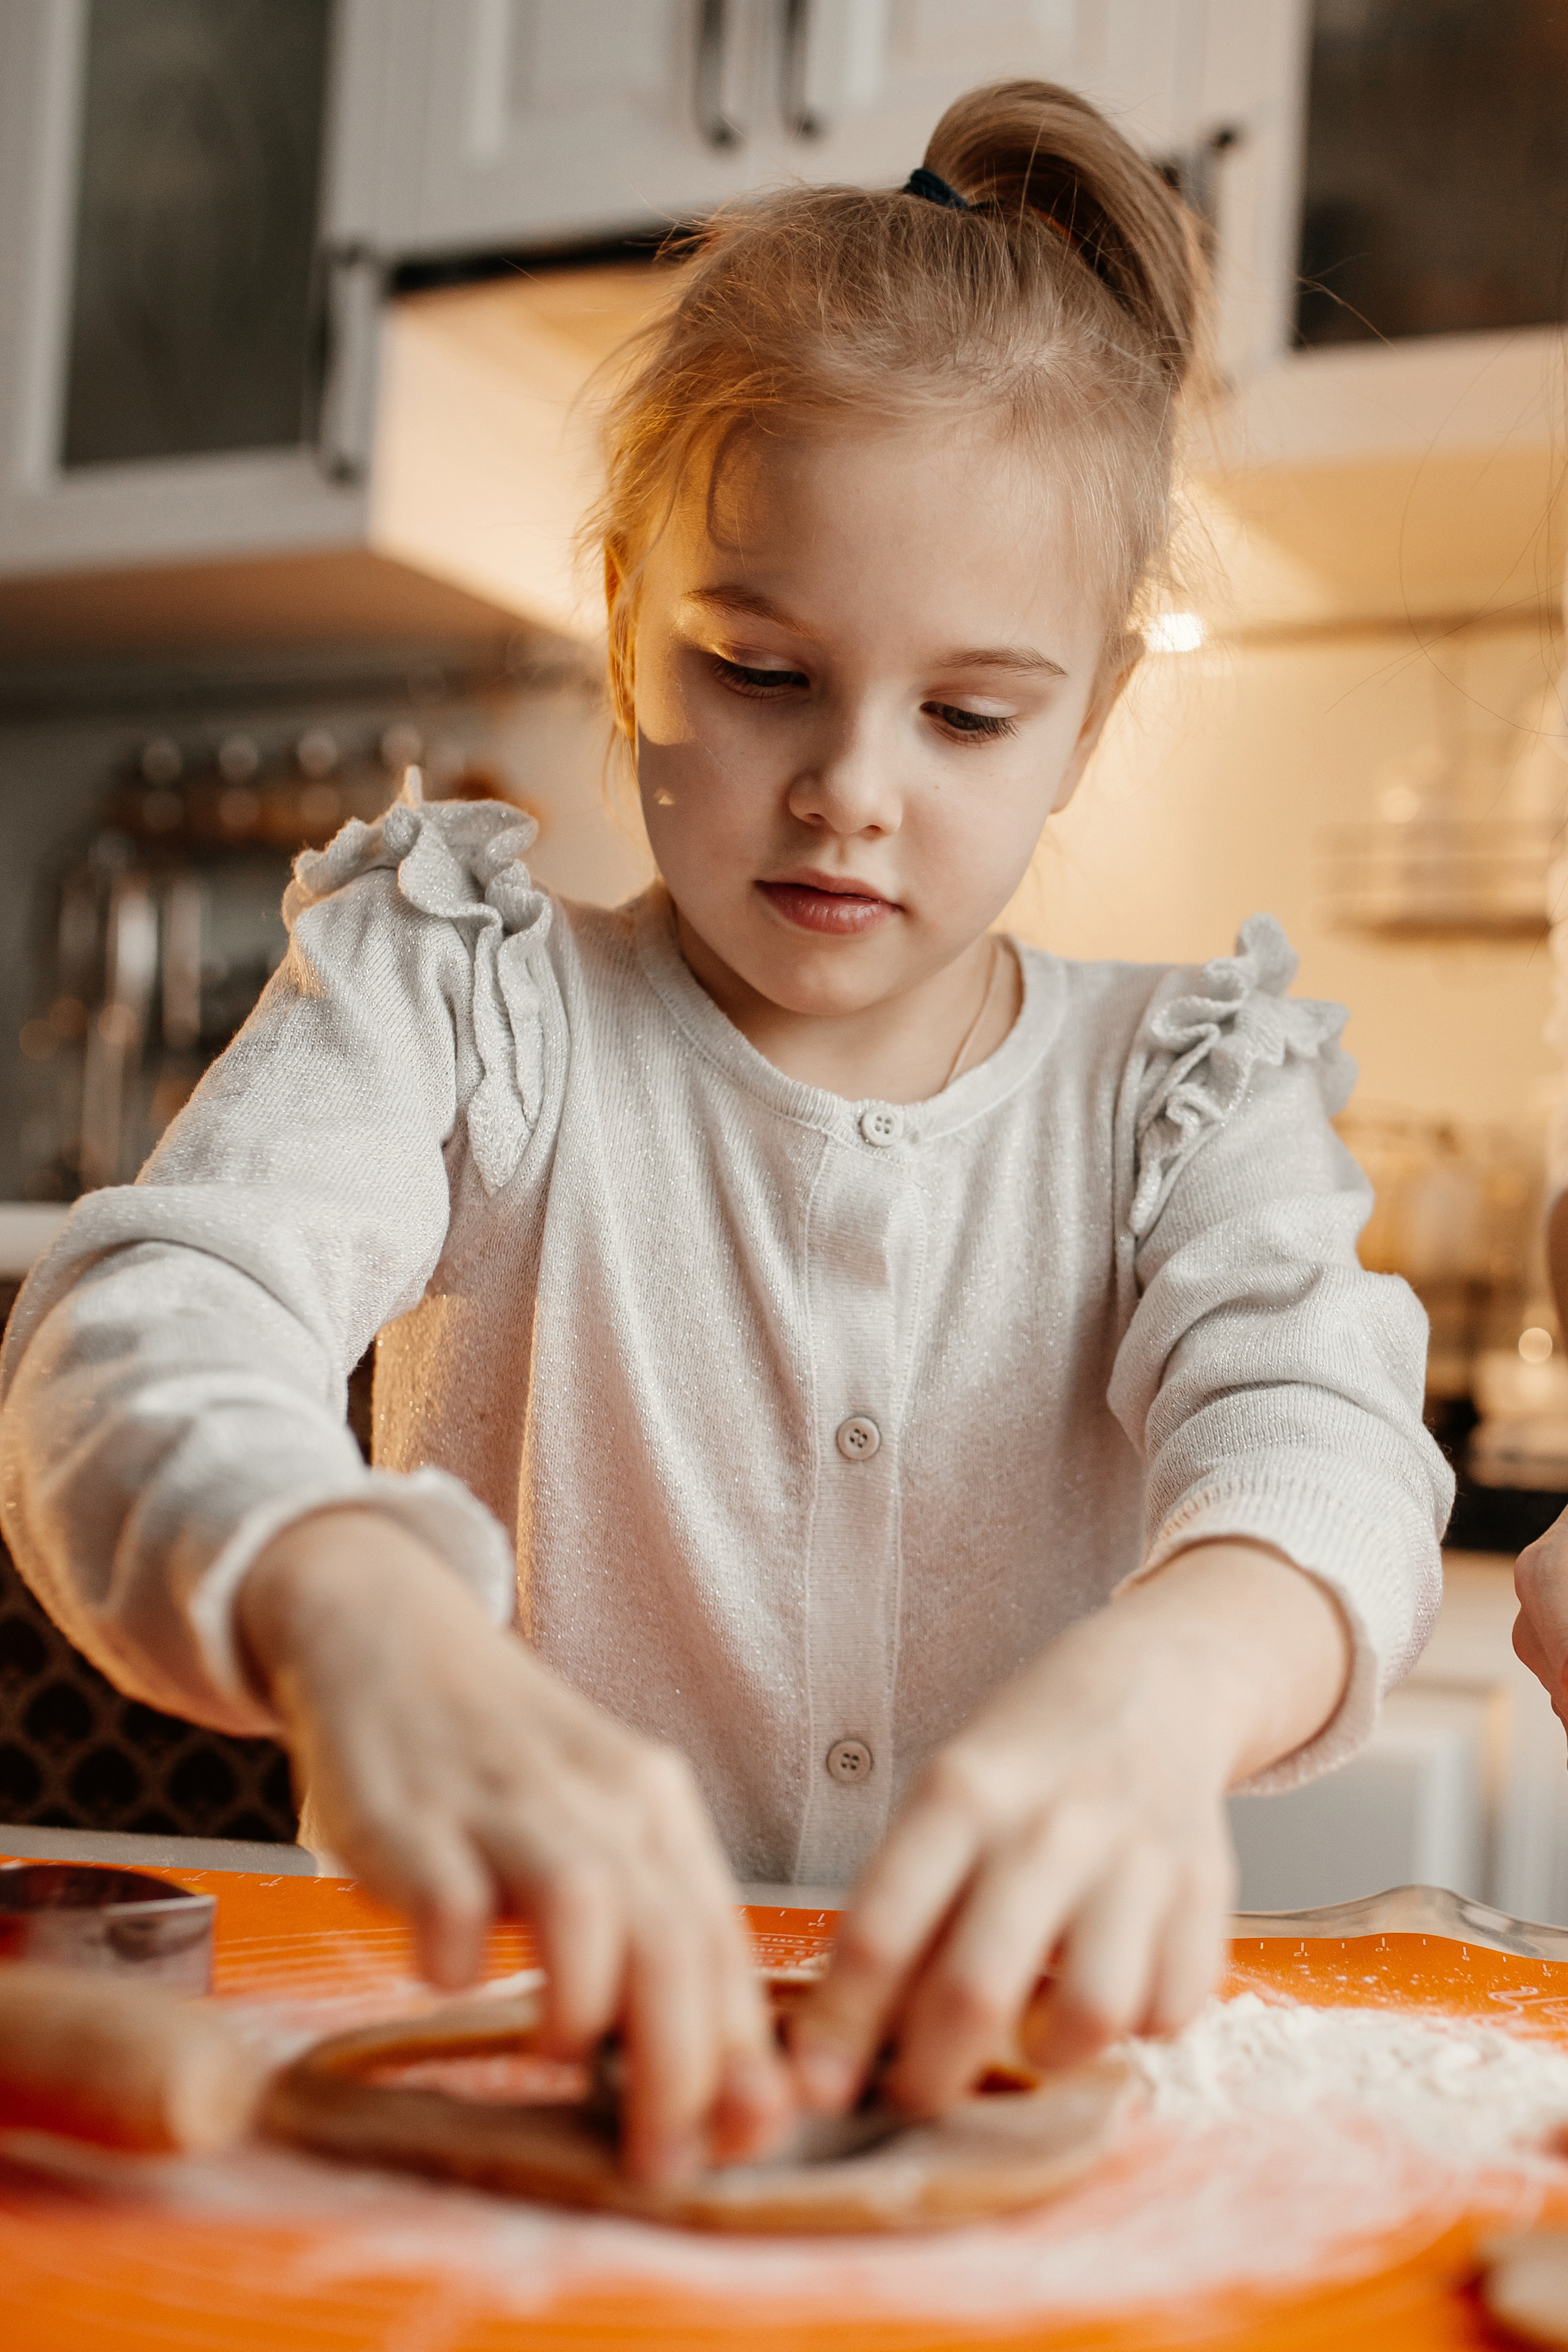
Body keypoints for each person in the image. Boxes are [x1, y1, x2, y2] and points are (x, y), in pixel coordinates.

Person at [0, 80, 1451, 2189]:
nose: (853, 785)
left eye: (969, 715)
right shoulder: (464, 998)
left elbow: (1323, 1440)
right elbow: (139, 1327)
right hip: (476, 2087)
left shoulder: (1185, 1090)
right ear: (620, 623)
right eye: (760, 668)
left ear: (1092, 722)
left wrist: (1167, 1689)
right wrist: (344, 1599)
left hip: (974, 2126)